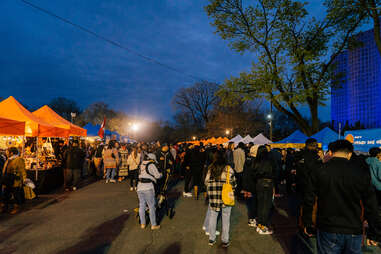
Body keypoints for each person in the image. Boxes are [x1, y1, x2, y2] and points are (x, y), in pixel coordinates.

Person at [303, 140, 381, 253]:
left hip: (328, 226)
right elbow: (371, 204)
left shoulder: (320, 170)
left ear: (331, 152)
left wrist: (307, 222)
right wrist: (374, 232)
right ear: (349, 154)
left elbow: (309, 199)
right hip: (353, 227)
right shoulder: (360, 172)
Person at [205, 150, 236, 247]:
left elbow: (206, 182)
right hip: (226, 198)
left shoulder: (210, 169)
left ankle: (211, 239)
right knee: (226, 219)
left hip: (214, 198)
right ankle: (225, 240)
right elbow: (234, 184)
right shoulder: (229, 169)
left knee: (213, 218)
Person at [252, 145, 275, 234]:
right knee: (266, 205)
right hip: (268, 183)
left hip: (259, 183)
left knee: (261, 204)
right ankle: (263, 226)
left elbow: (253, 173)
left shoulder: (256, 161)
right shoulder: (270, 160)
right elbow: (276, 171)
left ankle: (260, 224)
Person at [137, 153, 162, 230]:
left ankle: (143, 224)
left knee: (142, 205)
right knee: (151, 206)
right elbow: (157, 176)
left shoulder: (141, 164)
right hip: (148, 187)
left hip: (139, 187)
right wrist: (161, 174)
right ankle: (153, 225)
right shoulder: (151, 165)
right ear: (152, 159)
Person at [1, 147, 26, 214]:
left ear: (11, 153)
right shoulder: (8, 159)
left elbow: (22, 170)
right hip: (7, 179)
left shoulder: (19, 159)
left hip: (15, 180)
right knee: (5, 194)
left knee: (16, 195)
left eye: (7, 152)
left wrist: (23, 180)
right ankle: (4, 207)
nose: (6, 153)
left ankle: (17, 208)